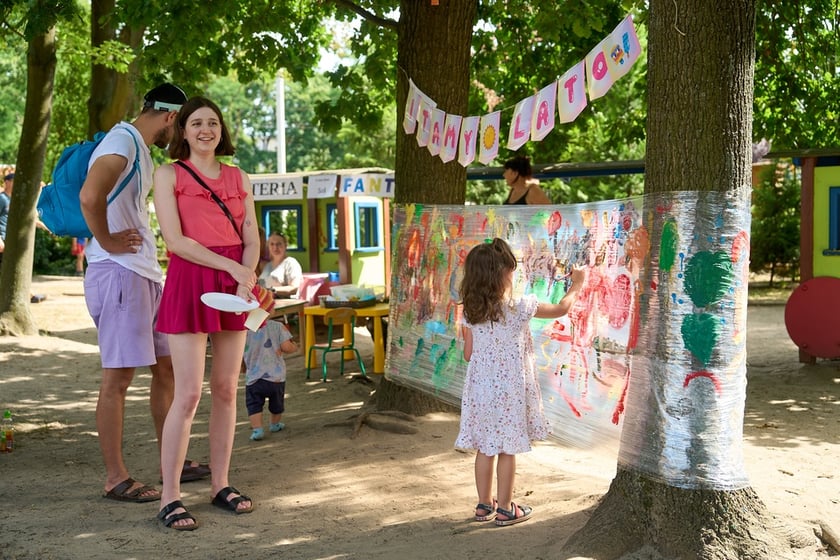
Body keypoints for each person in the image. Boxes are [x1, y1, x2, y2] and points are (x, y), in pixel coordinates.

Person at [79, 83, 210, 506]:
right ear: (172, 118)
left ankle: (172, 459)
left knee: (167, 369)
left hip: (143, 275)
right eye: (185, 122)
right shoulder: (121, 140)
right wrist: (107, 240)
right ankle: (116, 477)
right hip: (118, 273)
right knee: (118, 379)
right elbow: (89, 195)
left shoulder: (137, 144)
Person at [154, 96, 260, 530]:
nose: (205, 130)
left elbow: (252, 234)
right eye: (196, 122)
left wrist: (245, 273)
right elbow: (175, 241)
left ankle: (220, 484)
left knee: (227, 389)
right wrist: (233, 267)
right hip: (192, 279)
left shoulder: (239, 176)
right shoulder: (168, 174)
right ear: (182, 130)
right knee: (189, 394)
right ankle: (170, 496)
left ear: (221, 130)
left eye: (212, 122)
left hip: (235, 282)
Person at [455, 238, 585, 527]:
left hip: (480, 392)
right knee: (506, 449)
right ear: (501, 275)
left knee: (485, 448)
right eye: (511, 271)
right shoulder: (519, 306)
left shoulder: (468, 312)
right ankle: (505, 509)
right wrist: (577, 284)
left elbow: (467, 355)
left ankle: (482, 506)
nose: (514, 276)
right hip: (510, 392)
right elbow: (562, 309)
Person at [243, 289, 297, 441]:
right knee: (277, 403)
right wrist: (295, 347)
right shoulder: (277, 327)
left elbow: (240, 353)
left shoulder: (244, 330)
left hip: (253, 377)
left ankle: (257, 429)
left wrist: (242, 367)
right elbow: (287, 347)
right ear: (267, 309)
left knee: (254, 404)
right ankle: (275, 424)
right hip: (276, 376)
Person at [258, 231, 302, 297]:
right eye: (272, 244)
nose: (275, 247)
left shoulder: (291, 263)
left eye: (279, 244)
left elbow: (294, 288)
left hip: (286, 304)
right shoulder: (267, 265)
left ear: (285, 245)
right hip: (266, 303)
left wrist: (271, 290)